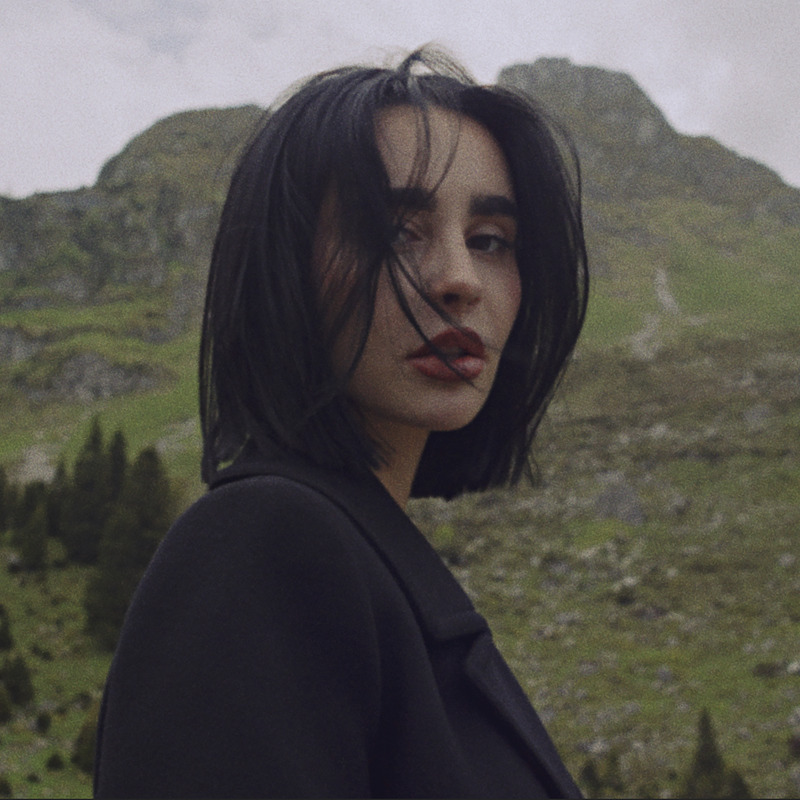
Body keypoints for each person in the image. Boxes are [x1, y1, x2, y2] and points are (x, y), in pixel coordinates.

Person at [94, 46, 588, 798]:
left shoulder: (366, 563)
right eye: (396, 231)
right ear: (288, 264)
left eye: (490, 240)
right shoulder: (264, 544)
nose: (460, 279)